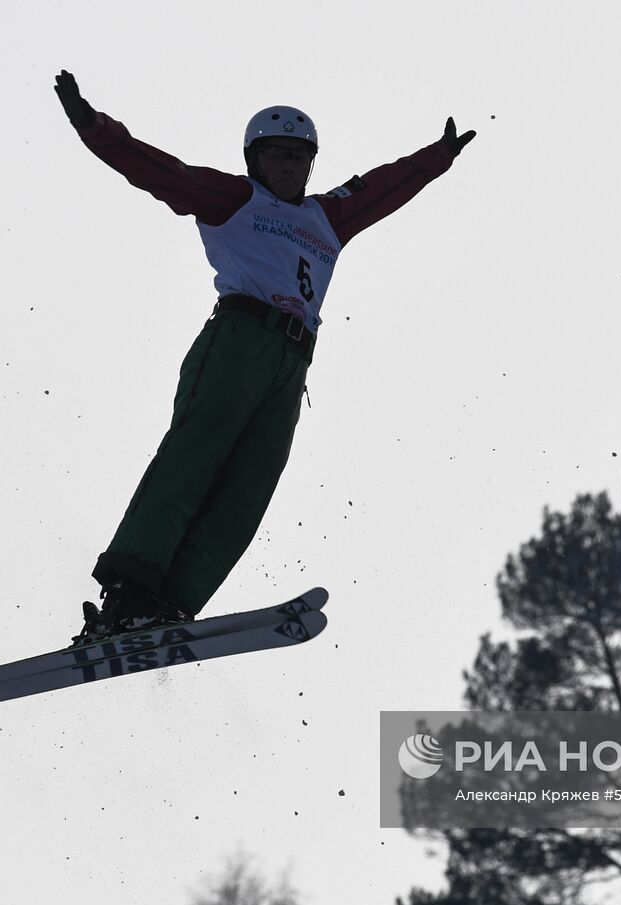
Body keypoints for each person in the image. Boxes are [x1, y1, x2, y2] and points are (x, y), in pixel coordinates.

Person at [52, 71, 475, 644]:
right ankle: (129, 589)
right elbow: (158, 171)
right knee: (194, 459)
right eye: (278, 156)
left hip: (292, 364)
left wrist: (437, 157)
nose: (290, 167)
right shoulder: (235, 199)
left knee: (251, 484)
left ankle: (169, 605)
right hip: (240, 340)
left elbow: (381, 188)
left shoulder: (329, 216)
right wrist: (94, 127)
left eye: (300, 158)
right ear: (254, 160)